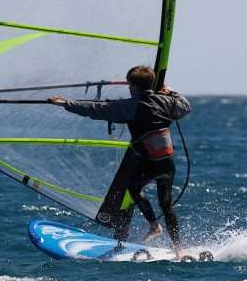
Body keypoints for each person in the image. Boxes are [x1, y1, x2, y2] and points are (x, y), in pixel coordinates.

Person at [47, 65, 191, 257]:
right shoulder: (166, 101)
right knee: (166, 204)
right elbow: (185, 106)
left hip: (149, 163)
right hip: (167, 162)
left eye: (130, 85)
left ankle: (154, 225)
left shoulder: (131, 106)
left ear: (133, 86)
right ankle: (178, 249)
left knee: (133, 187)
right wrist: (170, 90)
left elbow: (96, 109)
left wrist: (65, 103)